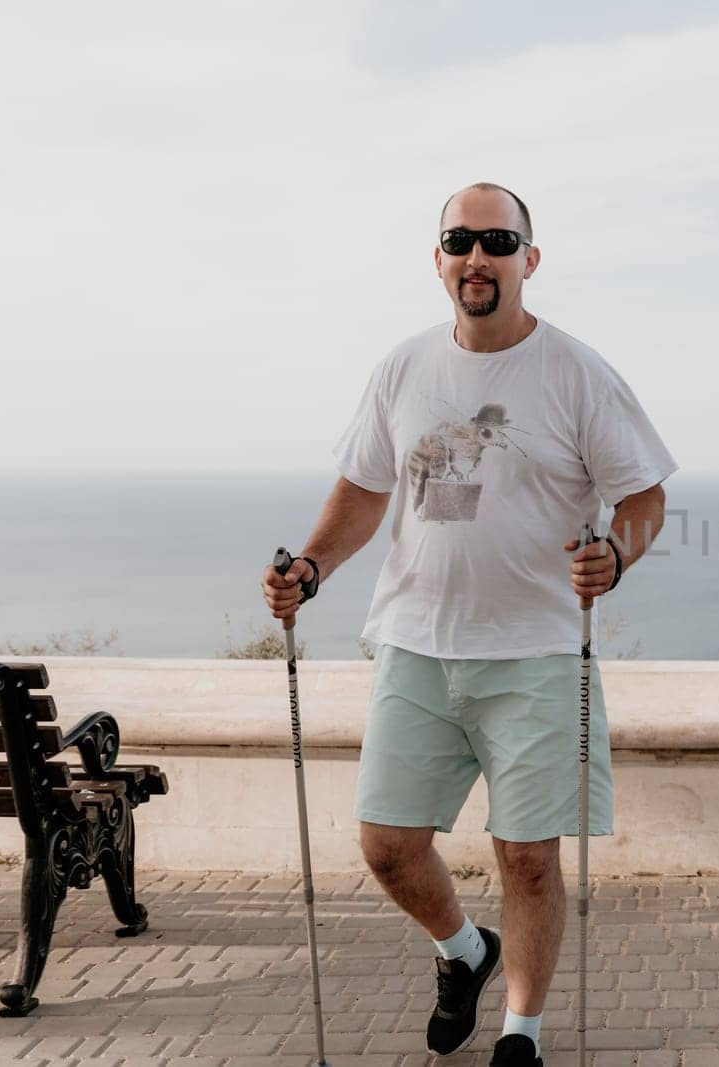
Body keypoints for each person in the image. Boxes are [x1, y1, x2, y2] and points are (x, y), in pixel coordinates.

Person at [262, 182, 676, 1066]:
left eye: (497, 240)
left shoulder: (576, 370)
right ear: (440, 258)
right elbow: (366, 492)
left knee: (528, 859)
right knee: (386, 847)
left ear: (530, 258)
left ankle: (520, 1035)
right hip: (415, 642)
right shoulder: (403, 367)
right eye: (460, 240)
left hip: (535, 652)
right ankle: (464, 950)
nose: (476, 256)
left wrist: (617, 554)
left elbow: (643, 495)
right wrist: (310, 567)